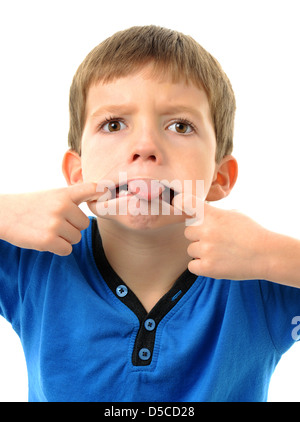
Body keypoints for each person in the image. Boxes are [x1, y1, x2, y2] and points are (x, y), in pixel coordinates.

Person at [0, 25, 300, 402]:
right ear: (77, 172)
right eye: (113, 124)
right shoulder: (32, 265)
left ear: (219, 177)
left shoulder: (261, 281)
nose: (145, 147)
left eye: (180, 125)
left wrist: (272, 255)